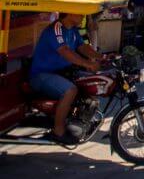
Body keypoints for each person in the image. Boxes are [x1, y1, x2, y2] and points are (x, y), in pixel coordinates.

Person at [29, 13, 103, 144]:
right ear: (69, 13)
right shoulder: (56, 29)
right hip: (42, 75)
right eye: (80, 13)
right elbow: (64, 51)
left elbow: (82, 47)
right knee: (70, 90)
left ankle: (81, 121)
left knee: (89, 84)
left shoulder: (72, 29)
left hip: (62, 72)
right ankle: (58, 131)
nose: (83, 16)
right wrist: (88, 64)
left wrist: (101, 57)